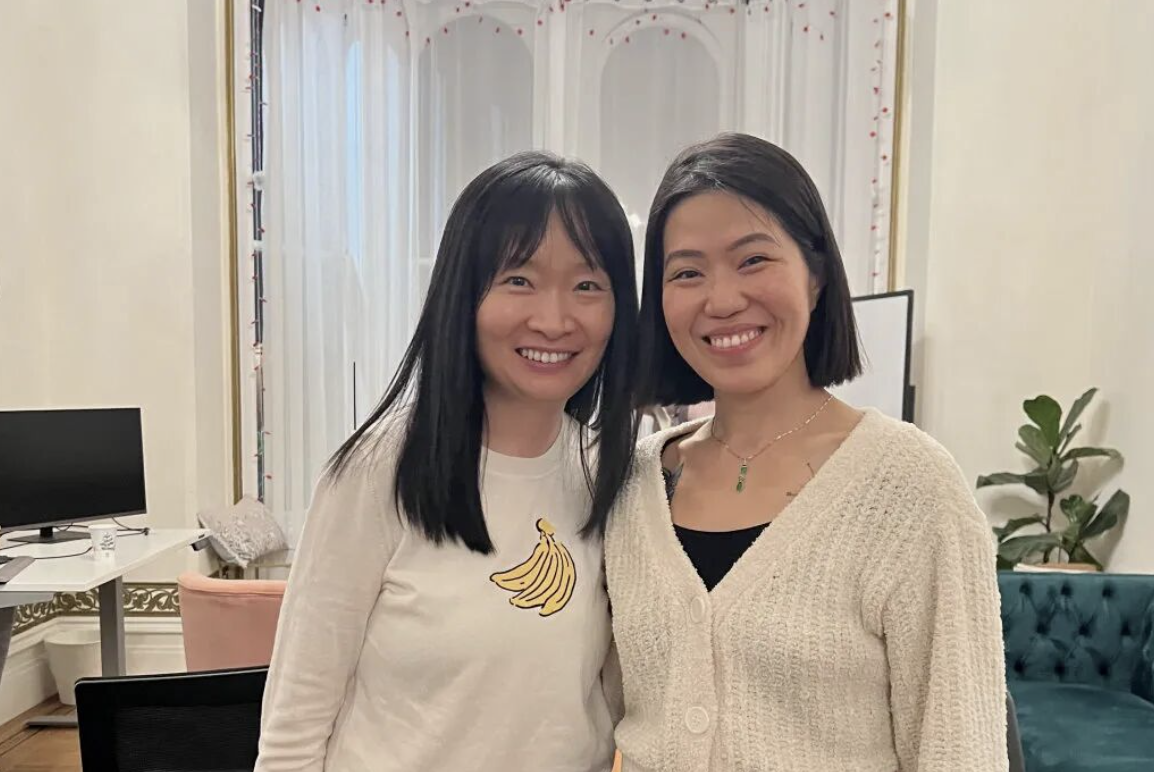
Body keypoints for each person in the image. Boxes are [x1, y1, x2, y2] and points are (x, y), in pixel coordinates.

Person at [605, 134, 1008, 771]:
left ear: (815, 276)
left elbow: (960, 748)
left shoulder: (912, 488)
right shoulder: (631, 485)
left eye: (753, 260)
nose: (721, 300)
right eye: (686, 272)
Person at [256, 152, 638, 772]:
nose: (554, 320)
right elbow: (293, 728)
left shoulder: (613, 477)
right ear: (463, 294)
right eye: (519, 279)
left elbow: (617, 707)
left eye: (587, 285)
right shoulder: (378, 471)